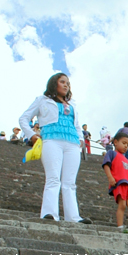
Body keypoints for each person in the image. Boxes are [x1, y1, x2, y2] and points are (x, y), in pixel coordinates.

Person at [19, 73, 91, 224]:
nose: (66, 85)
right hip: (51, 140)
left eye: (68, 83)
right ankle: (49, 213)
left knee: (70, 182)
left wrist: (80, 139)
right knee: (53, 178)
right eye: (62, 82)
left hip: (72, 143)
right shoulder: (42, 100)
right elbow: (24, 118)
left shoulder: (72, 103)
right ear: (54, 84)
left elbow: (77, 124)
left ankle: (74, 217)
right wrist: (32, 135)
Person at [102, 132, 128, 231]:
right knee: (122, 204)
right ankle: (120, 226)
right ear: (116, 142)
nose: (126, 146)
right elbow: (106, 165)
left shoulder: (126, 160)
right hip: (119, 183)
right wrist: (110, 177)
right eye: (124, 143)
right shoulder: (111, 153)